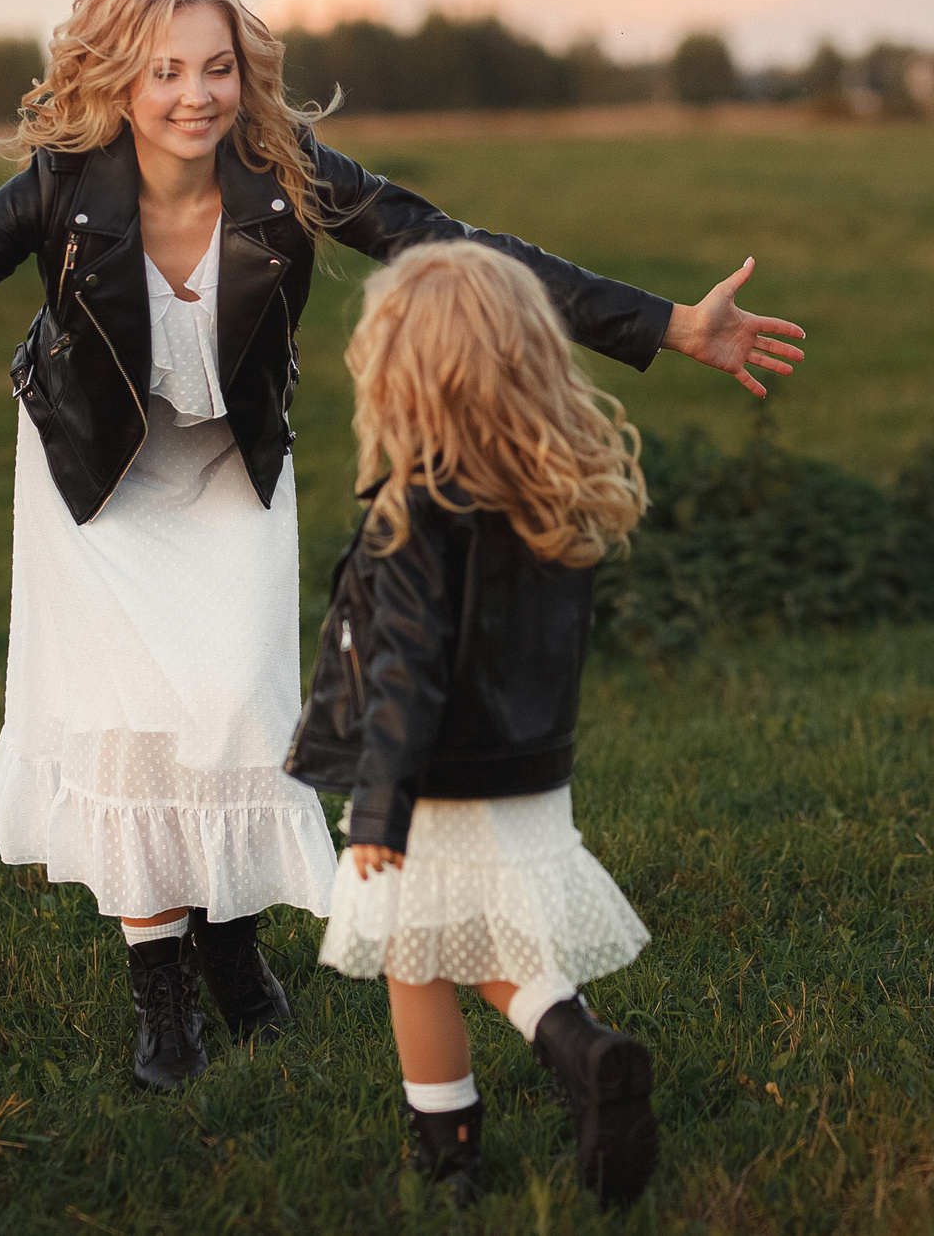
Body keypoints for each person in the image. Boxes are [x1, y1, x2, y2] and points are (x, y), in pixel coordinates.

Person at [0, 0, 804, 1093]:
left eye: (216, 65)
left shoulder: (288, 172)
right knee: (129, 728)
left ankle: (228, 939)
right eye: (166, 69)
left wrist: (664, 326)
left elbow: (456, 251)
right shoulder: (60, 190)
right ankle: (162, 989)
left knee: (232, 712)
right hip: (94, 480)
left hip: (228, 469)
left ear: (245, 71)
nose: (195, 93)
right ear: (117, 77)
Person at [284, 240, 661, 1209]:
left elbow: (404, 676)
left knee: (418, 963)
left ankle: (449, 1156)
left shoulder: (410, 516)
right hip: (530, 770)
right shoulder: (545, 495)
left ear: (404, 380)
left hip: (431, 784)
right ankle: (580, 1047)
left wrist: (378, 809)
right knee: (498, 950)